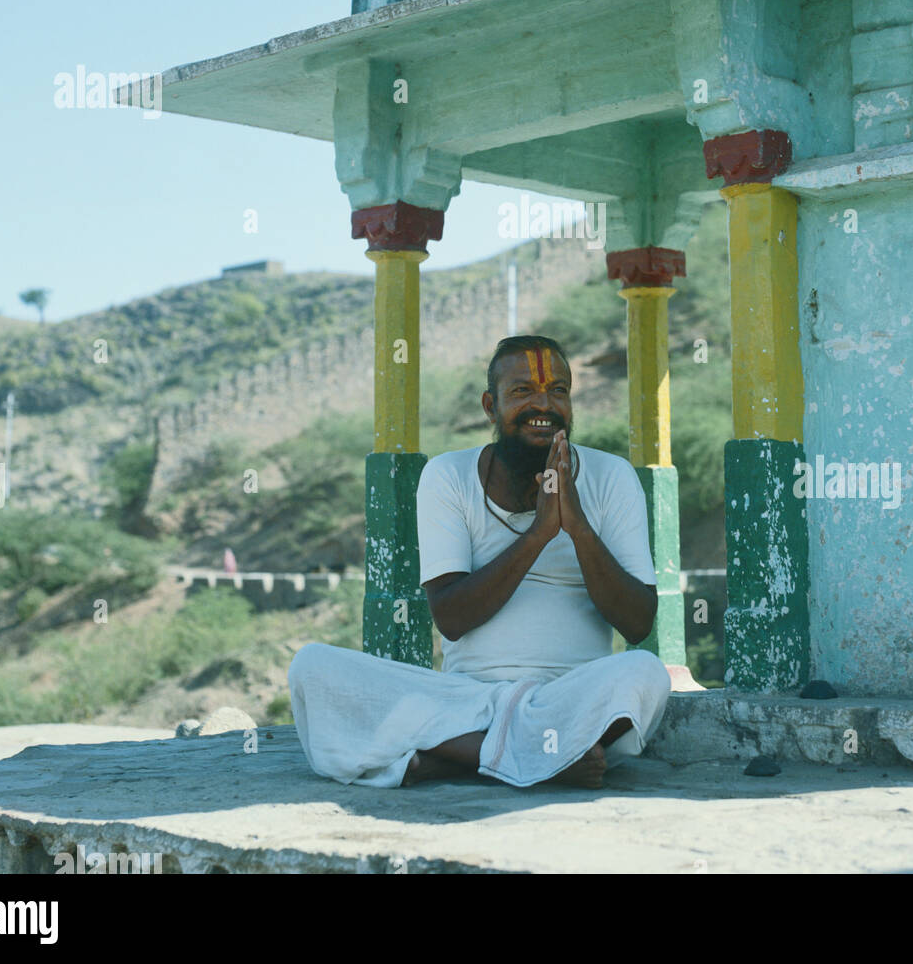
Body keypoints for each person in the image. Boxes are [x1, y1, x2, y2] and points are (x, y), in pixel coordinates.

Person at [288, 334, 672, 788]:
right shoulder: (447, 476)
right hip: (464, 700)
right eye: (522, 391)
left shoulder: (611, 476)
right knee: (312, 668)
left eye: (558, 390)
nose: (543, 405)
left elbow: (638, 623)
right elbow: (451, 617)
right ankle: (542, 756)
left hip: (571, 697)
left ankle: (459, 758)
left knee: (645, 673)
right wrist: (539, 535)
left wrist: (579, 528)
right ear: (491, 407)